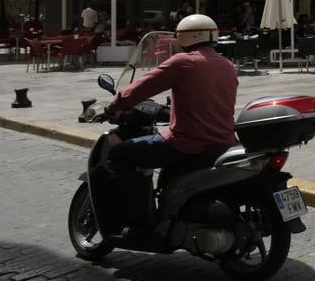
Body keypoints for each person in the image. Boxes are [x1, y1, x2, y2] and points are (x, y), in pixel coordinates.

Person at [102, 14, 238, 232]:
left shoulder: (182, 62)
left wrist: (113, 107)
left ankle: (137, 220)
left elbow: (141, 88)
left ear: (184, 37)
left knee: (119, 154)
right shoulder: (227, 65)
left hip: (188, 143)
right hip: (223, 142)